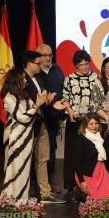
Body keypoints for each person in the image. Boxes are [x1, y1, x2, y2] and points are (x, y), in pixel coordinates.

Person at [22, 50, 65, 203]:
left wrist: (52, 102)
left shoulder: (38, 79)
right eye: (38, 63)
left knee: (42, 159)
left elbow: (41, 101)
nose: (40, 65)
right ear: (29, 64)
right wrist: (41, 102)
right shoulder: (20, 79)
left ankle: (45, 193)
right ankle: (23, 193)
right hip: (27, 127)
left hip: (42, 124)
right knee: (25, 160)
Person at [1, 67, 48, 200]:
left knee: (24, 171)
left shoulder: (24, 96)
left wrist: (43, 101)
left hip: (26, 137)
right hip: (16, 139)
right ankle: (11, 200)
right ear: (16, 80)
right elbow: (22, 118)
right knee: (14, 170)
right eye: (23, 78)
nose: (26, 80)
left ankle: (22, 200)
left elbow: (34, 113)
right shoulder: (9, 98)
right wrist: (37, 105)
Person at [62, 50, 103, 199]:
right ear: (75, 65)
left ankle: (89, 184)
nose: (84, 67)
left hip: (90, 122)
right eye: (81, 65)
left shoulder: (95, 77)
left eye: (86, 64)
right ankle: (70, 185)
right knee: (73, 154)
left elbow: (99, 99)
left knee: (89, 153)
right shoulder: (69, 79)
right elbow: (65, 98)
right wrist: (70, 111)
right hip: (74, 121)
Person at [36, 44, 65, 189]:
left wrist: (60, 116)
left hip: (54, 118)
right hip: (39, 119)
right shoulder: (34, 72)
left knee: (52, 151)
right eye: (44, 55)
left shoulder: (57, 70)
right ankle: (37, 184)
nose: (48, 58)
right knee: (39, 154)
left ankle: (50, 182)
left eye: (50, 55)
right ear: (38, 57)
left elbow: (61, 92)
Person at [70, 113, 109, 200]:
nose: (94, 126)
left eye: (96, 123)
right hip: (87, 173)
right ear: (85, 125)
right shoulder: (80, 139)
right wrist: (82, 181)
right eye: (91, 124)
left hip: (100, 170)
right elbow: (76, 163)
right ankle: (78, 190)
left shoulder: (100, 138)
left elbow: (104, 159)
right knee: (96, 198)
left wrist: (107, 173)